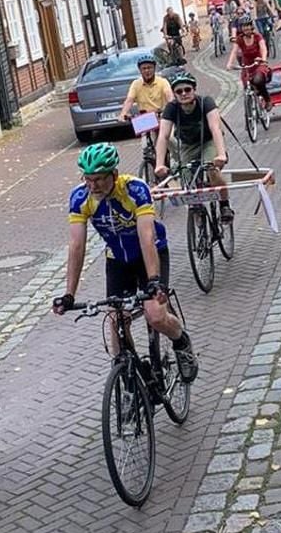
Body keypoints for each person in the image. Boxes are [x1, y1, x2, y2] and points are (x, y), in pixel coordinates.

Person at [52, 143, 197, 380]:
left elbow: (147, 238)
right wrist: (69, 294)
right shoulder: (80, 198)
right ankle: (130, 383)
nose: (92, 185)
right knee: (115, 320)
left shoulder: (135, 190)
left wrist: (153, 281)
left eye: (98, 179)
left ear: (114, 175)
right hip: (118, 259)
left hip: (150, 253)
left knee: (156, 315)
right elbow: (77, 246)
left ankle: (181, 342)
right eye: (87, 179)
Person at [155, 73, 233, 223]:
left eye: (187, 89)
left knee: (212, 170)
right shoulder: (171, 108)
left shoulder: (206, 102)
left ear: (194, 89)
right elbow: (163, 136)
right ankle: (197, 214)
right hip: (188, 145)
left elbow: (215, 128)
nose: (184, 94)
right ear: (175, 94)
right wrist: (159, 164)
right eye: (179, 91)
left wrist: (221, 155)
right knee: (186, 178)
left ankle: (224, 205)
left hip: (208, 141)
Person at [226, 15, 272, 112]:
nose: (246, 28)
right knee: (247, 86)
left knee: (258, 80)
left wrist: (263, 59)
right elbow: (234, 51)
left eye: (248, 25)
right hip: (247, 67)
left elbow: (263, 48)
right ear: (241, 28)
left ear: (251, 26)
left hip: (259, 64)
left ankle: (267, 100)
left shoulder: (257, 37)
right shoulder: (240, 39)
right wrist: (229, 64)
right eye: (244, 26)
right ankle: (251, 109)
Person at [117, 52, 173, 121]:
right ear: (140, 70)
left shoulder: (163, 82)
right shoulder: (136, 84)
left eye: (149, 68)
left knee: (167, 131)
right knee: (142, 131)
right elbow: (129, 100)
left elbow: (169, 96)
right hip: (145, 119)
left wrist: (171, 109)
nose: (147, 71)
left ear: (154, 68)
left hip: (162, 117)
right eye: (144, 68)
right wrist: (123, 113)